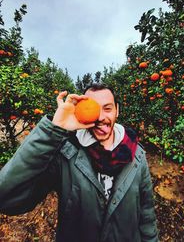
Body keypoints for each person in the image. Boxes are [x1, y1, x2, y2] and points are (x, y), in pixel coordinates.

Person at [0, 83, 158, 242]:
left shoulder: (137, 154)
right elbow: (7, 198)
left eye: (108, 108)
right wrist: (54, 130)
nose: (101, 117)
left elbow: (146, 213)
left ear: (117, 110)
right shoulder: (66, 154)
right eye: (94, 108)